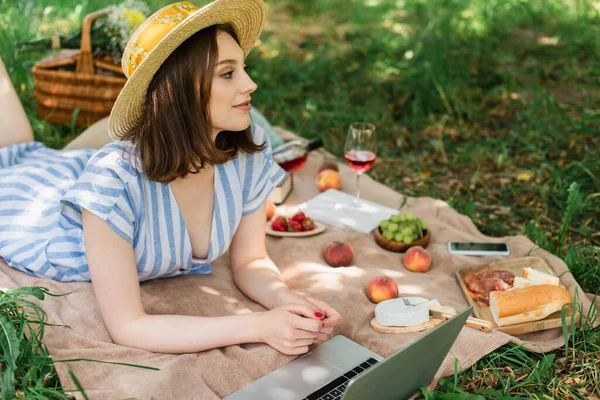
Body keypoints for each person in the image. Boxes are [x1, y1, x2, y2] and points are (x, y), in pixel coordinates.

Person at [0, 0, 342, 356]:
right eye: (228, 73)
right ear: (181, 89)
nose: (250, 84)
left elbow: (250, 262)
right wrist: (259, 327)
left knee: (31, 151)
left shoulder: (246, 151)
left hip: (127, 160)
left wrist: (287, 300)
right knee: (13, 162)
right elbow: (129, 326)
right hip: (39, 209)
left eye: (244, 68)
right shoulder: (111, 183)